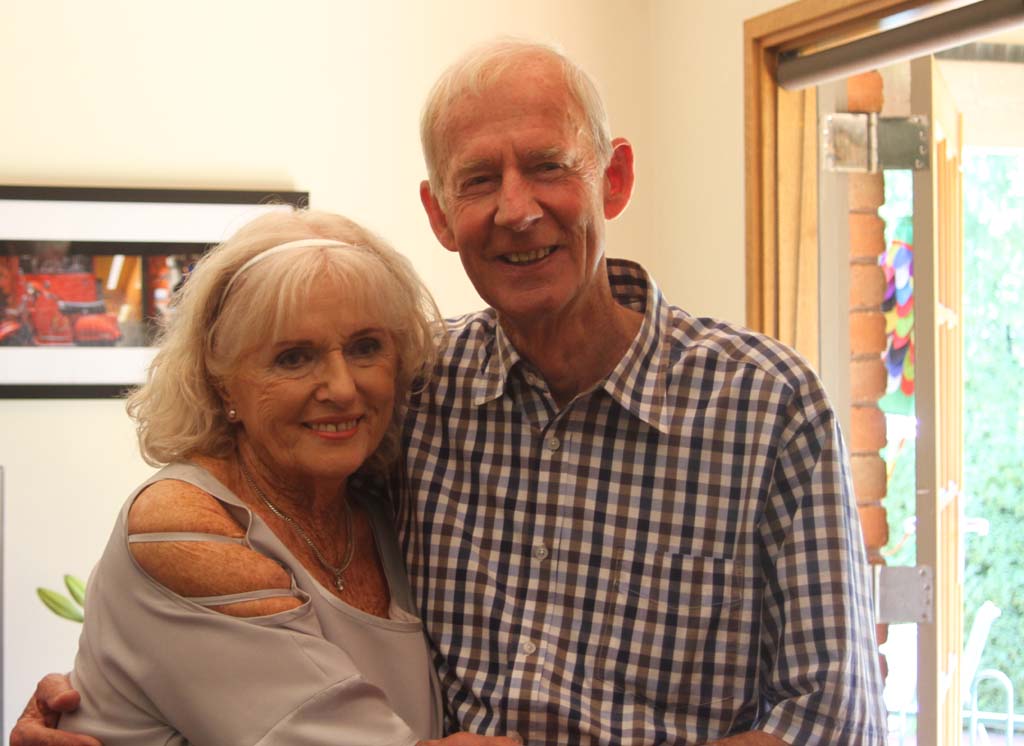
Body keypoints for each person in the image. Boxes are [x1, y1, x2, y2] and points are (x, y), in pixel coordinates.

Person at [13, 40, 886, 746]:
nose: (517, 209)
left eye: (547, 165)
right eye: (479, 180)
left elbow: (830, 721)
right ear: (439, 214)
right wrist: (105, 702)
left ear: (613, 179)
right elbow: (234, 590)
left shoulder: (765, 406)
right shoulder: (417, 395)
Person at [19, 208, 518, 746]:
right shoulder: (183, 525)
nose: (342, 388)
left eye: (365, 347)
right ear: (222, 381)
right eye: (294, 358)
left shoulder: (378, 508)